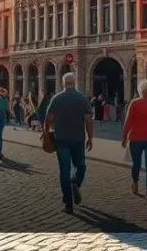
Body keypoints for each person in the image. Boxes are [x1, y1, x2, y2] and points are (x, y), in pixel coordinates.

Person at [44, 72, 93, 214]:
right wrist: (90, 137)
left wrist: (46, 132)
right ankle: (76, 182)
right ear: (75, 82)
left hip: (61, 139)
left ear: (63, 83)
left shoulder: (57, 98)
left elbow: (48, 118)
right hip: (78, 139)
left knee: (64, 171)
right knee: (81, 166)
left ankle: (68, 204)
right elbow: (88, 120)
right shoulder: (82, 98)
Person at [122, 79, 147, 204]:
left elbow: (128, 121)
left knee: (136, 164)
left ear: (140, 90)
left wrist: (124, 137)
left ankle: (135, 184)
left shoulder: (134, 103)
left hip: (136, 137)